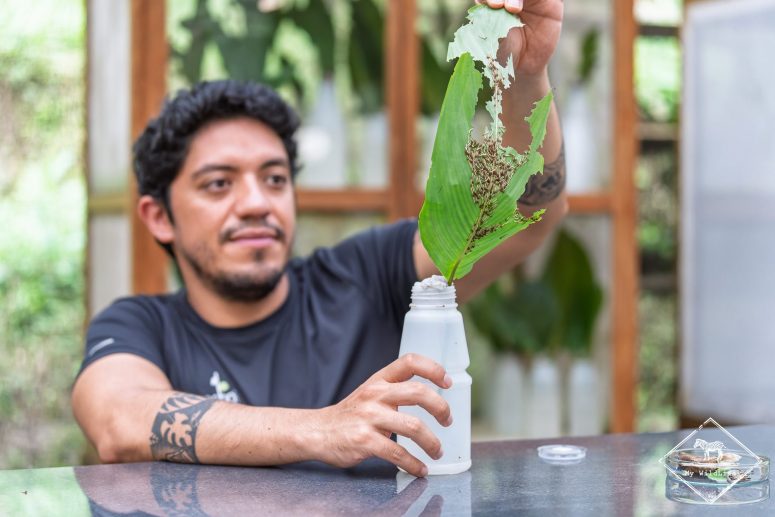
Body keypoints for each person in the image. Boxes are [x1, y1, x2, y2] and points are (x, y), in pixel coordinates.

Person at [72, 0, 567, 478]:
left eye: (274, 179)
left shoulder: (365, 275)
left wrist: (525, 74)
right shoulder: (141, 326)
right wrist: (323, 429)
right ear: (158, 217)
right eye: (219, 184)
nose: (256, 203)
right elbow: (120, 422)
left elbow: (529, 214)